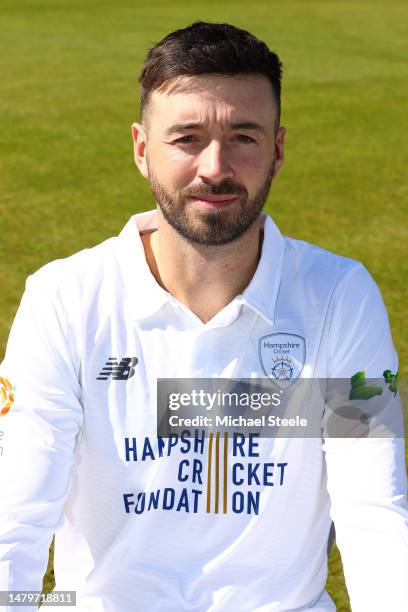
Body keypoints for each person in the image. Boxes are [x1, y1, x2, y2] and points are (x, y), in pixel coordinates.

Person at [0, 20, 407, 612]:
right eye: (186, 137)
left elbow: (375, 509)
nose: (215, 168)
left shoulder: (342, 295)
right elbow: (16, 514)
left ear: (278, 149)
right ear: (142, 149)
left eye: (243, 136)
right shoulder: (64, 297)